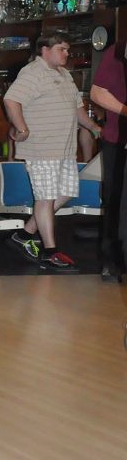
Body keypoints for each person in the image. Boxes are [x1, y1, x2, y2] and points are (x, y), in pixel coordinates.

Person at [4, 32, 101, 271]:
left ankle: (24, 234)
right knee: (45, 199)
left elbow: (77, 109)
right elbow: (11, 100)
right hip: (42, 148)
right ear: (45, 50)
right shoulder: (33, 72)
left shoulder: (65, 74)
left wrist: (93, 127)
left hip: (65, 149)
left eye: (67, 49)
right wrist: (22, 128)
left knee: (67, 192)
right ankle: (50, 252)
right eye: (61, 49)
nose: (66, 53)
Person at [89, 41, 127, 281]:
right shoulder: (118, 52)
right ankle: (112, 261)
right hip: (118, 140)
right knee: (116, 199)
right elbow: (97, 92)